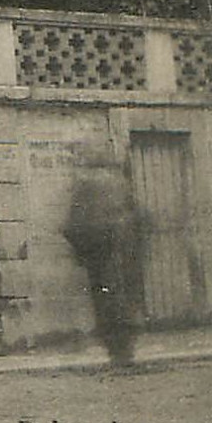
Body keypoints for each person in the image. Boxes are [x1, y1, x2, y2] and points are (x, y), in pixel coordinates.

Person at [62, 156, 146, 369]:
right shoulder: (122, 187)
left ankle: (118, 349)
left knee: (108, 303)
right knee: (123, 300)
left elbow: (72, 226)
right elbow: (142, 219)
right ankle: (123, 349)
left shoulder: (86, 189)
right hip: (123, 256)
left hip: (102, 257)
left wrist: (82, 252)